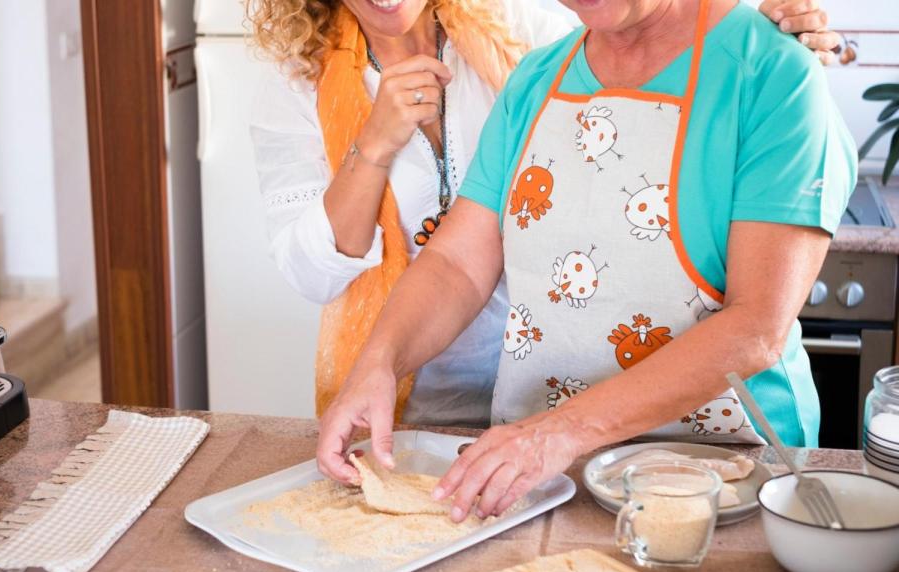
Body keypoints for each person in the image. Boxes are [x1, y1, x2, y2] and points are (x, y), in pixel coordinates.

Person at [316, 0, 857, 525]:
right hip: (541, 480)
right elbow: (457, 263)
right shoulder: (536, 79)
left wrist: (563, 432)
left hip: (726, 479)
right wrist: (379, 362)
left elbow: (756, 325)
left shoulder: (771, 73)